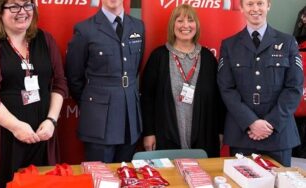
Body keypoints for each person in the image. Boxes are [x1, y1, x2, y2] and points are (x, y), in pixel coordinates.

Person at [0, 0, 68, 187]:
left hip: (39, 138)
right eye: (14, 6)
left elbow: (59, 84)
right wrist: (16, 126)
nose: (22, 11)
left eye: (27, 5)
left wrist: (51, 121)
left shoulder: (46, 40)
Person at [217, 0, 303, 166]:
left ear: (268, 6)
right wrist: (251, 122)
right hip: (243, 134)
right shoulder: (229, 45)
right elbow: (226, 88)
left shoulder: (288, 42)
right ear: (241, 8)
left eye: (260, 3)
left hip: (278, 134)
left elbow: (294, 87)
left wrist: (270, 123)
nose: (255, 9)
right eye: (249, 4)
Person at [141, 4, 225, 157]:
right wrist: (149, 133)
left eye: (190, 20)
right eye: (179, 21)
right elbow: (147, 99)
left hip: (205, 137)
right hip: (165, 136)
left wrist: (220, 131)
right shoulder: (158, 57)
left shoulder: (208, 58)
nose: (185, 25)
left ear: (196, 26)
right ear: (173, 25)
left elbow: (218, 100)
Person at [66, 0, 144, 163]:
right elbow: (74, 77)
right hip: (99, 120)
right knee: (101, 178)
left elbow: (135, 69)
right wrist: (93, 104)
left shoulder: (138, 26)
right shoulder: (85, 29)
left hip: (129, 117)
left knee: (126, 176)